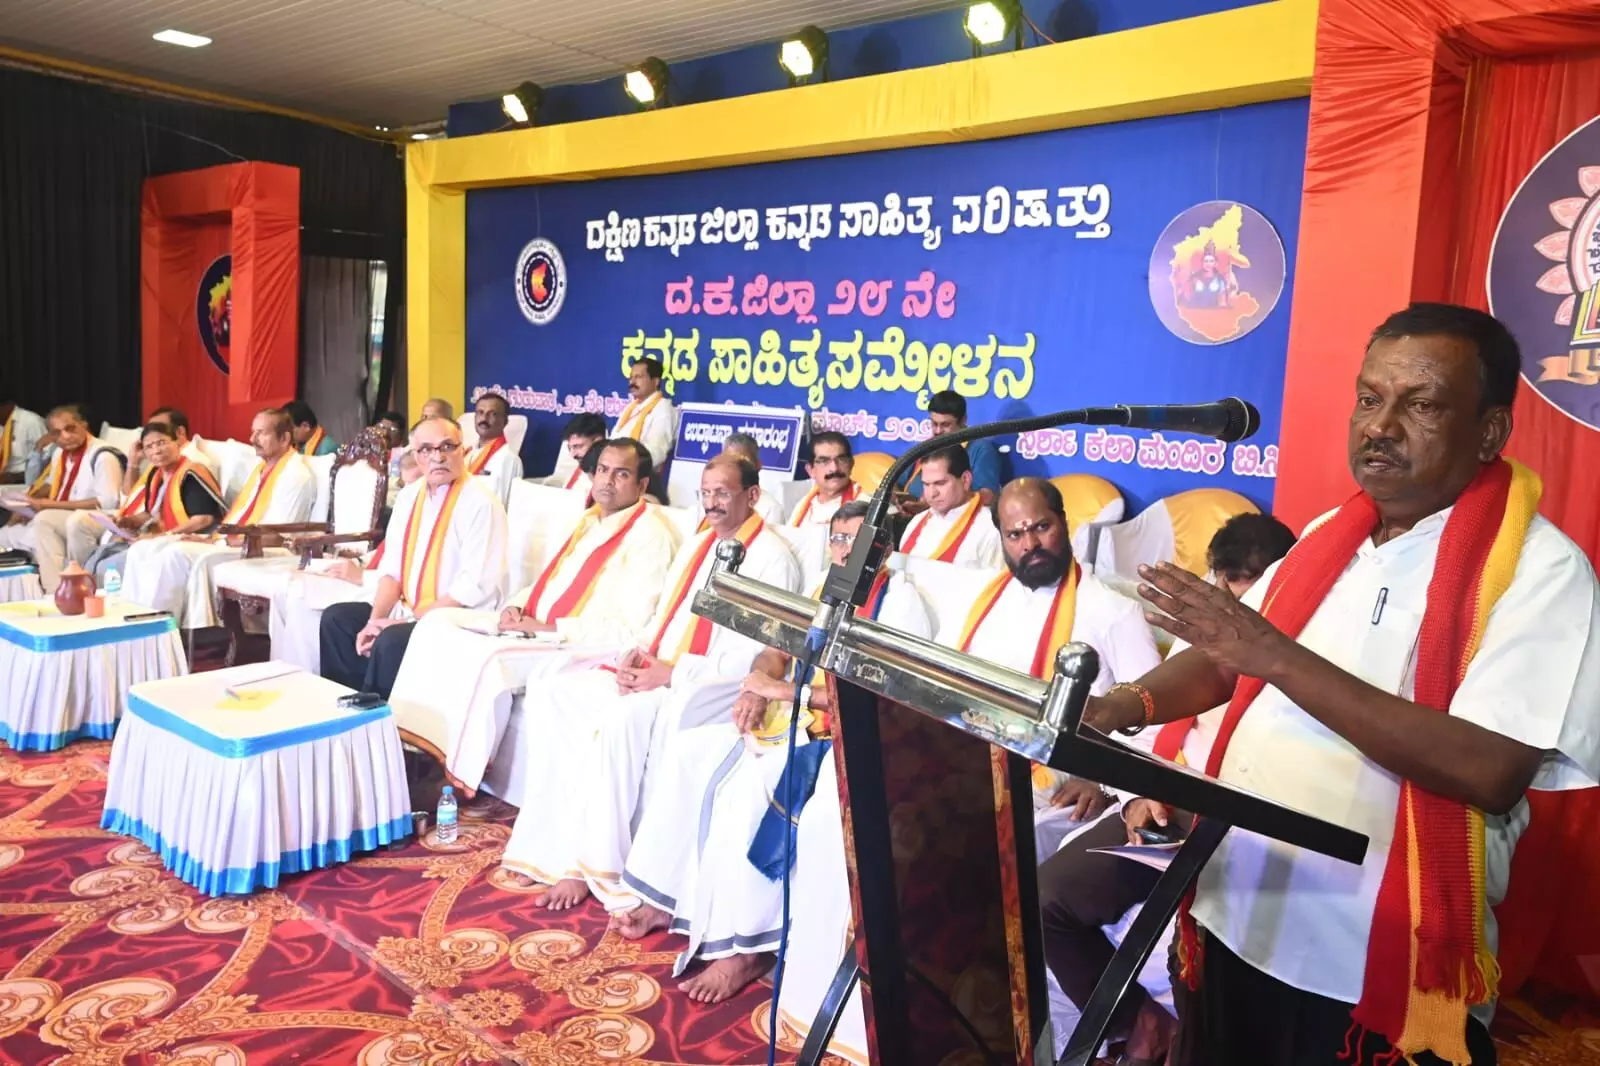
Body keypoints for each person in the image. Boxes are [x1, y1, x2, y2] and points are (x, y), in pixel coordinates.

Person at [1085, 304, 1599, 1066]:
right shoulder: (1333, 534)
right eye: (1369, 398)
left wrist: (1279, 658)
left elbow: (1490, 768)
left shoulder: (1540, 570)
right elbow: (1229, 656)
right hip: (1235, 913)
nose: (1380, 426)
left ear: (1490, 432)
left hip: (1365, 969)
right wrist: (1119, 706)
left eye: (1420, 406)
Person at [775, 476, 1162, 1061]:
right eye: (1015, 534)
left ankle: (990, 1028)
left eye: (1041, 527)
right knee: (843, 820)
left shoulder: (1112, 611)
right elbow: (946, 683)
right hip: (969, 766)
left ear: (1064, 524)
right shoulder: (988, 598)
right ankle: (872, 1013)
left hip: (1051, 787)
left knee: (935, 848)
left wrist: (1101, 779)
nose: (1030, 543)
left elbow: (1152, 721)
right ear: (1000, 538)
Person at [616, 499, 933, 1003]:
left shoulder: (900, 602)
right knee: (691, 752)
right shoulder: (824, 587)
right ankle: (666, 897)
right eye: (838, 539)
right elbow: (775, 651)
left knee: (749, 793)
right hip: (789, 718)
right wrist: (757, 686)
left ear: (885, 550)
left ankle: (747, 949)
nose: (844, 552)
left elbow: (882, 696)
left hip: (844, 735)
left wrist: (782, 692)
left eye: (858, 543)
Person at [1036, 511, 1296, 1065]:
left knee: (1202, 951)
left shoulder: (1300, 660)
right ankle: (1139, 1025)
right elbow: (1153, 731)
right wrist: (1135, 797)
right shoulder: (1202, 640)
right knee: (1046, 898)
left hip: (1239, 823)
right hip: (1167, 806)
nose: (1234, 604)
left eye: (1251, 587)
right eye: (1226, 585)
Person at [500, 454, 802, 912]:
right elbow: (663, 618)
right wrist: (636, 656)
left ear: (753, 495)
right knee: (559, 691)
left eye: (723, 493)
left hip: (702, 686)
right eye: (706, 493)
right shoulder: (700, 544)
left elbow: (758, 655)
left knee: (619, 719)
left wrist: (672, 674)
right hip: (661, 671)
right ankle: (550, 848)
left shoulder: (773, 558)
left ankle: (594, 867)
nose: (712, 503)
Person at [386, 438, 681, 795]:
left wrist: (548, 627)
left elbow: (630, 626)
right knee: (435, 623)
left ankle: (453, 775)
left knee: (489, 660)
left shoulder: (651, 536)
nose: (607, 480)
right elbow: (551, 581)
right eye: (603, 470)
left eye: (621, 474)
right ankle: (409, 747)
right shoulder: (590, 519)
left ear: (642, 485)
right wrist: (516, 605)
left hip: (575, 642)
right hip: (533, 625)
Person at [320, 417, 507, 699]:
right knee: (337, 619)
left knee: (392, 640)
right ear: (415, 455)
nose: (438, 457)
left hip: (456, 619)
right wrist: (375, 621)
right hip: (409, 610)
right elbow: (392, 571)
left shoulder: (481, 503)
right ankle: (346, 711)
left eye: (447, 447)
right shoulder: (409, 497)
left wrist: (407, 622)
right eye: (427, 450)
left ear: (463, 450)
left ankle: (380, 719)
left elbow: (473, 587)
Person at [120, 408, 316, 627]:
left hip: (265, 550)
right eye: (253, 432)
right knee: (141, 549)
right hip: (235, 540)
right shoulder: (261, 470)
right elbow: (239, 519)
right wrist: (209, 538)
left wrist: (218, 541)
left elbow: (277, 536)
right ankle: (132, 624)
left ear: (285, 438)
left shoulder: (295, 475)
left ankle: (159, 630)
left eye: (261, 433)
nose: (252, 439)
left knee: (175, 554)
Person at [266, 450, 421, 675]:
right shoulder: (409, 505)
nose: (410, 491)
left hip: (389, 592)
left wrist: (362, 575)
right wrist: (358, 561)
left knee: (301, 594)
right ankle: (284, 674)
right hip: (371, 576)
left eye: (416, 482)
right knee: (288, 583)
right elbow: (387, 551)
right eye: (405, 485)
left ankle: (305, 674)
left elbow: (407, 574)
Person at [76, 422, 227, 584]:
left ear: (177, 443)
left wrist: (162, 537)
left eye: (161, 443)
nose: (156, 450)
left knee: (108, 566)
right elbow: (150, 513)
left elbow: (203, 519)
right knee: (99, 557)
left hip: (188, 540)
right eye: (149, 446)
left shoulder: (190, 473)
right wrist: (127, 521)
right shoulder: (156, 474)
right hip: (158, 539)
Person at [0, 404, 123, 591]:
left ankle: (69, 587)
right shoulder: (59, 453)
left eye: (70, 428)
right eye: (57, 433)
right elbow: (51, 485)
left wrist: (47, 505)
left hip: (99, 517)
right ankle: (52, 590)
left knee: (46, 518)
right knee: (18, 528)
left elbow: (107, 502)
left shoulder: (103, 455)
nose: (65, 436)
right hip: (67, 513)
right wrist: (26, 503)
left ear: (84, 425)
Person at [897, 444, 1003, 569]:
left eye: (940, 483)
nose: (931, 494)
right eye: (926, 484)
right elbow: (899, 572)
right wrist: (888, 561)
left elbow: (997, 580)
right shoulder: (916, 522)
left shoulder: (990, 529)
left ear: (965, 479)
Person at [902, 390, 1004, 498]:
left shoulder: (981, 449)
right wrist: (894, 495)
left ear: (963, 420)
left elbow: (987, 497)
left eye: (945, 425)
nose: (938, 431)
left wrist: (933, 501)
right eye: (934, 423)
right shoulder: (923, 448)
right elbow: (895, 480)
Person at [119, 406, 218, 496]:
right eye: (150, 429)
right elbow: (129, 498)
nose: (152, 434)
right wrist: (133, 463)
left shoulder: (196, 462)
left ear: (180, 432)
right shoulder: (156, 458)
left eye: (159, 429)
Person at [694, 433, 784, 529]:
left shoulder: (771, 509)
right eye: (728, 462)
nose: (733, 469)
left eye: (742, 463)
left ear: (758, 466)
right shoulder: (707, 502)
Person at [611, 357, 676, 470]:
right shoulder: (631, 407)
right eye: (631, 377)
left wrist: (627, 462)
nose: (632, 382)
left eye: (638, 377)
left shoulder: (663, 409)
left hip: (638, 472)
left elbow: (657, 451)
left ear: (656, 381)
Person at [789, 431, 860, 527]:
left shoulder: (864, 504)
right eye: (824, 461)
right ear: (810, 470)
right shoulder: (802, 506)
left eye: (841, 460)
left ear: (851, 464)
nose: (834, 468)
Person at [464, 391, 523, 505]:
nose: (484, 419)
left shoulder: (508, 459)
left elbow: (501, 506)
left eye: (492, 414)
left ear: (505, 421)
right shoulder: (467, 454)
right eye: (480, 412)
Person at [541, 413, 607, 491]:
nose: (573, 455)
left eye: (578, 446)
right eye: (569, 448)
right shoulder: (579, 469)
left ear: (598, 441)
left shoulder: (608, 478)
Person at [0, 395, 46, 485]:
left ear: (8, 406)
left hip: (24, 482)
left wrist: (16, 477)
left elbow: (48, 461)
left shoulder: (31, 421)